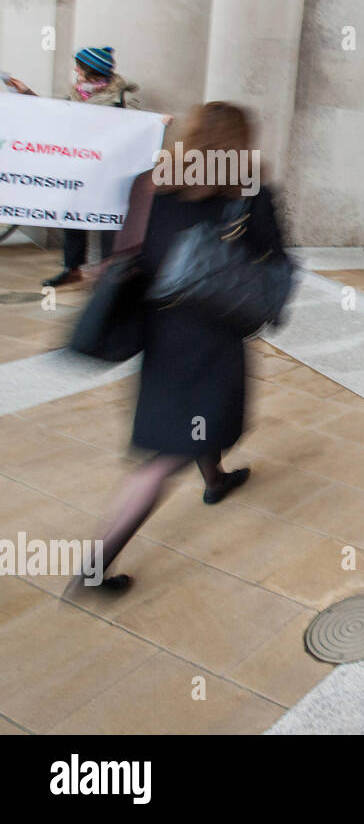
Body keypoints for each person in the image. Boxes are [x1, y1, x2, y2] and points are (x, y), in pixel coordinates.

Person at [74, 102, 282, 592]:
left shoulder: (151, 184)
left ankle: (216, 479)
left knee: (193, 420)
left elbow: (122, 254)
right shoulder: (249, 189)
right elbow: (273, 258)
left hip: (160, 331)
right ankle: (92, 567)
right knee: (166, 455)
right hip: (212, 333)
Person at [38, 47, 167, 287]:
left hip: (109, 170)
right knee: (73, 217)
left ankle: (111, 269)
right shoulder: (74, 95)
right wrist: (26, 94)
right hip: (79, 165)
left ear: (91, 70)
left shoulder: (121, 99)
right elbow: (52, 117)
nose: (76, 70)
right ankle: (72, 267)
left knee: (109, 217)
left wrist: (157, 123)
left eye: (79, 66)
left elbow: (136, 129)